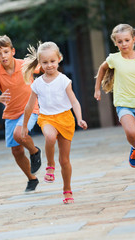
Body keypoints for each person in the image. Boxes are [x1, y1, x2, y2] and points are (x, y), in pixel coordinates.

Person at [94, 23, 135, 186]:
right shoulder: (113, 59)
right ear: (115, 43)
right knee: (132, 133)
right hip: (123, 105)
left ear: (133, 40)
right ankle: (134, 147)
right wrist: (97, 89)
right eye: (120, 41)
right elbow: (102, 70)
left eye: (126, 40)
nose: (123, 44)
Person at [21, 41, 88, 204]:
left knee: (64, 161)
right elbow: (29, 106)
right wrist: (24, 126)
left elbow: (74, 102)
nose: (49, 65)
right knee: (50, 137)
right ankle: (50, 165)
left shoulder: (64, 80)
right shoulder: (37, 84)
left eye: (52, 61)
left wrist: (79, 118)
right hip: (47, 118)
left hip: (65, 119)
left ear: (59, 59)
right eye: (45, 62)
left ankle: (67, 190)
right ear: (40, 64)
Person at [0, 35, 42, 193]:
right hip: (11, 114)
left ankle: (35, 152)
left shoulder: (25, 65)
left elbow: (43, 66)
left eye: (5, 52)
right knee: (16, 151)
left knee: (19, 134)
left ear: (12, 51)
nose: (3, 56)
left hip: (30, 109)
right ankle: (32, 178)